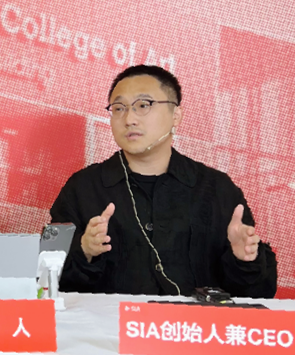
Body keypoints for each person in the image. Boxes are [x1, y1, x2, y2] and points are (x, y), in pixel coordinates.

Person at [50, 65, 277, 297]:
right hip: (110, 321)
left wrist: (244, 259)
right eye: (119, 108)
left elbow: (260, 294)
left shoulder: (217, 189)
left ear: (175, 115)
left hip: (194, 321)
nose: (129, 119)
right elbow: (46, 279)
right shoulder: (82, 188)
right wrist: (84, 251)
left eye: (143, 105)